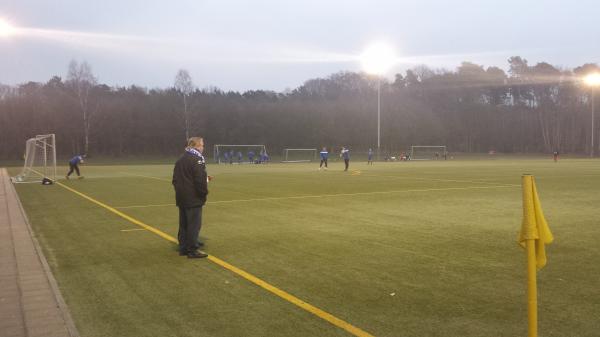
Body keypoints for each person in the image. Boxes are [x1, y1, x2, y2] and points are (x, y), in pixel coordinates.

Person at [172, 137, 211, 259]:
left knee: (184, 223)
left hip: (181, 196)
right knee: (194, 224)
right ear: (197, 145)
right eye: (202, 145)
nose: (203, 147)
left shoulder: (181, 159)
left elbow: (175, 180)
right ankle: (192, 249)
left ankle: (183, 247)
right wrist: (204, 193)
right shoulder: (197, 159)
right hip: (193, 197)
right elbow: (199, 180)